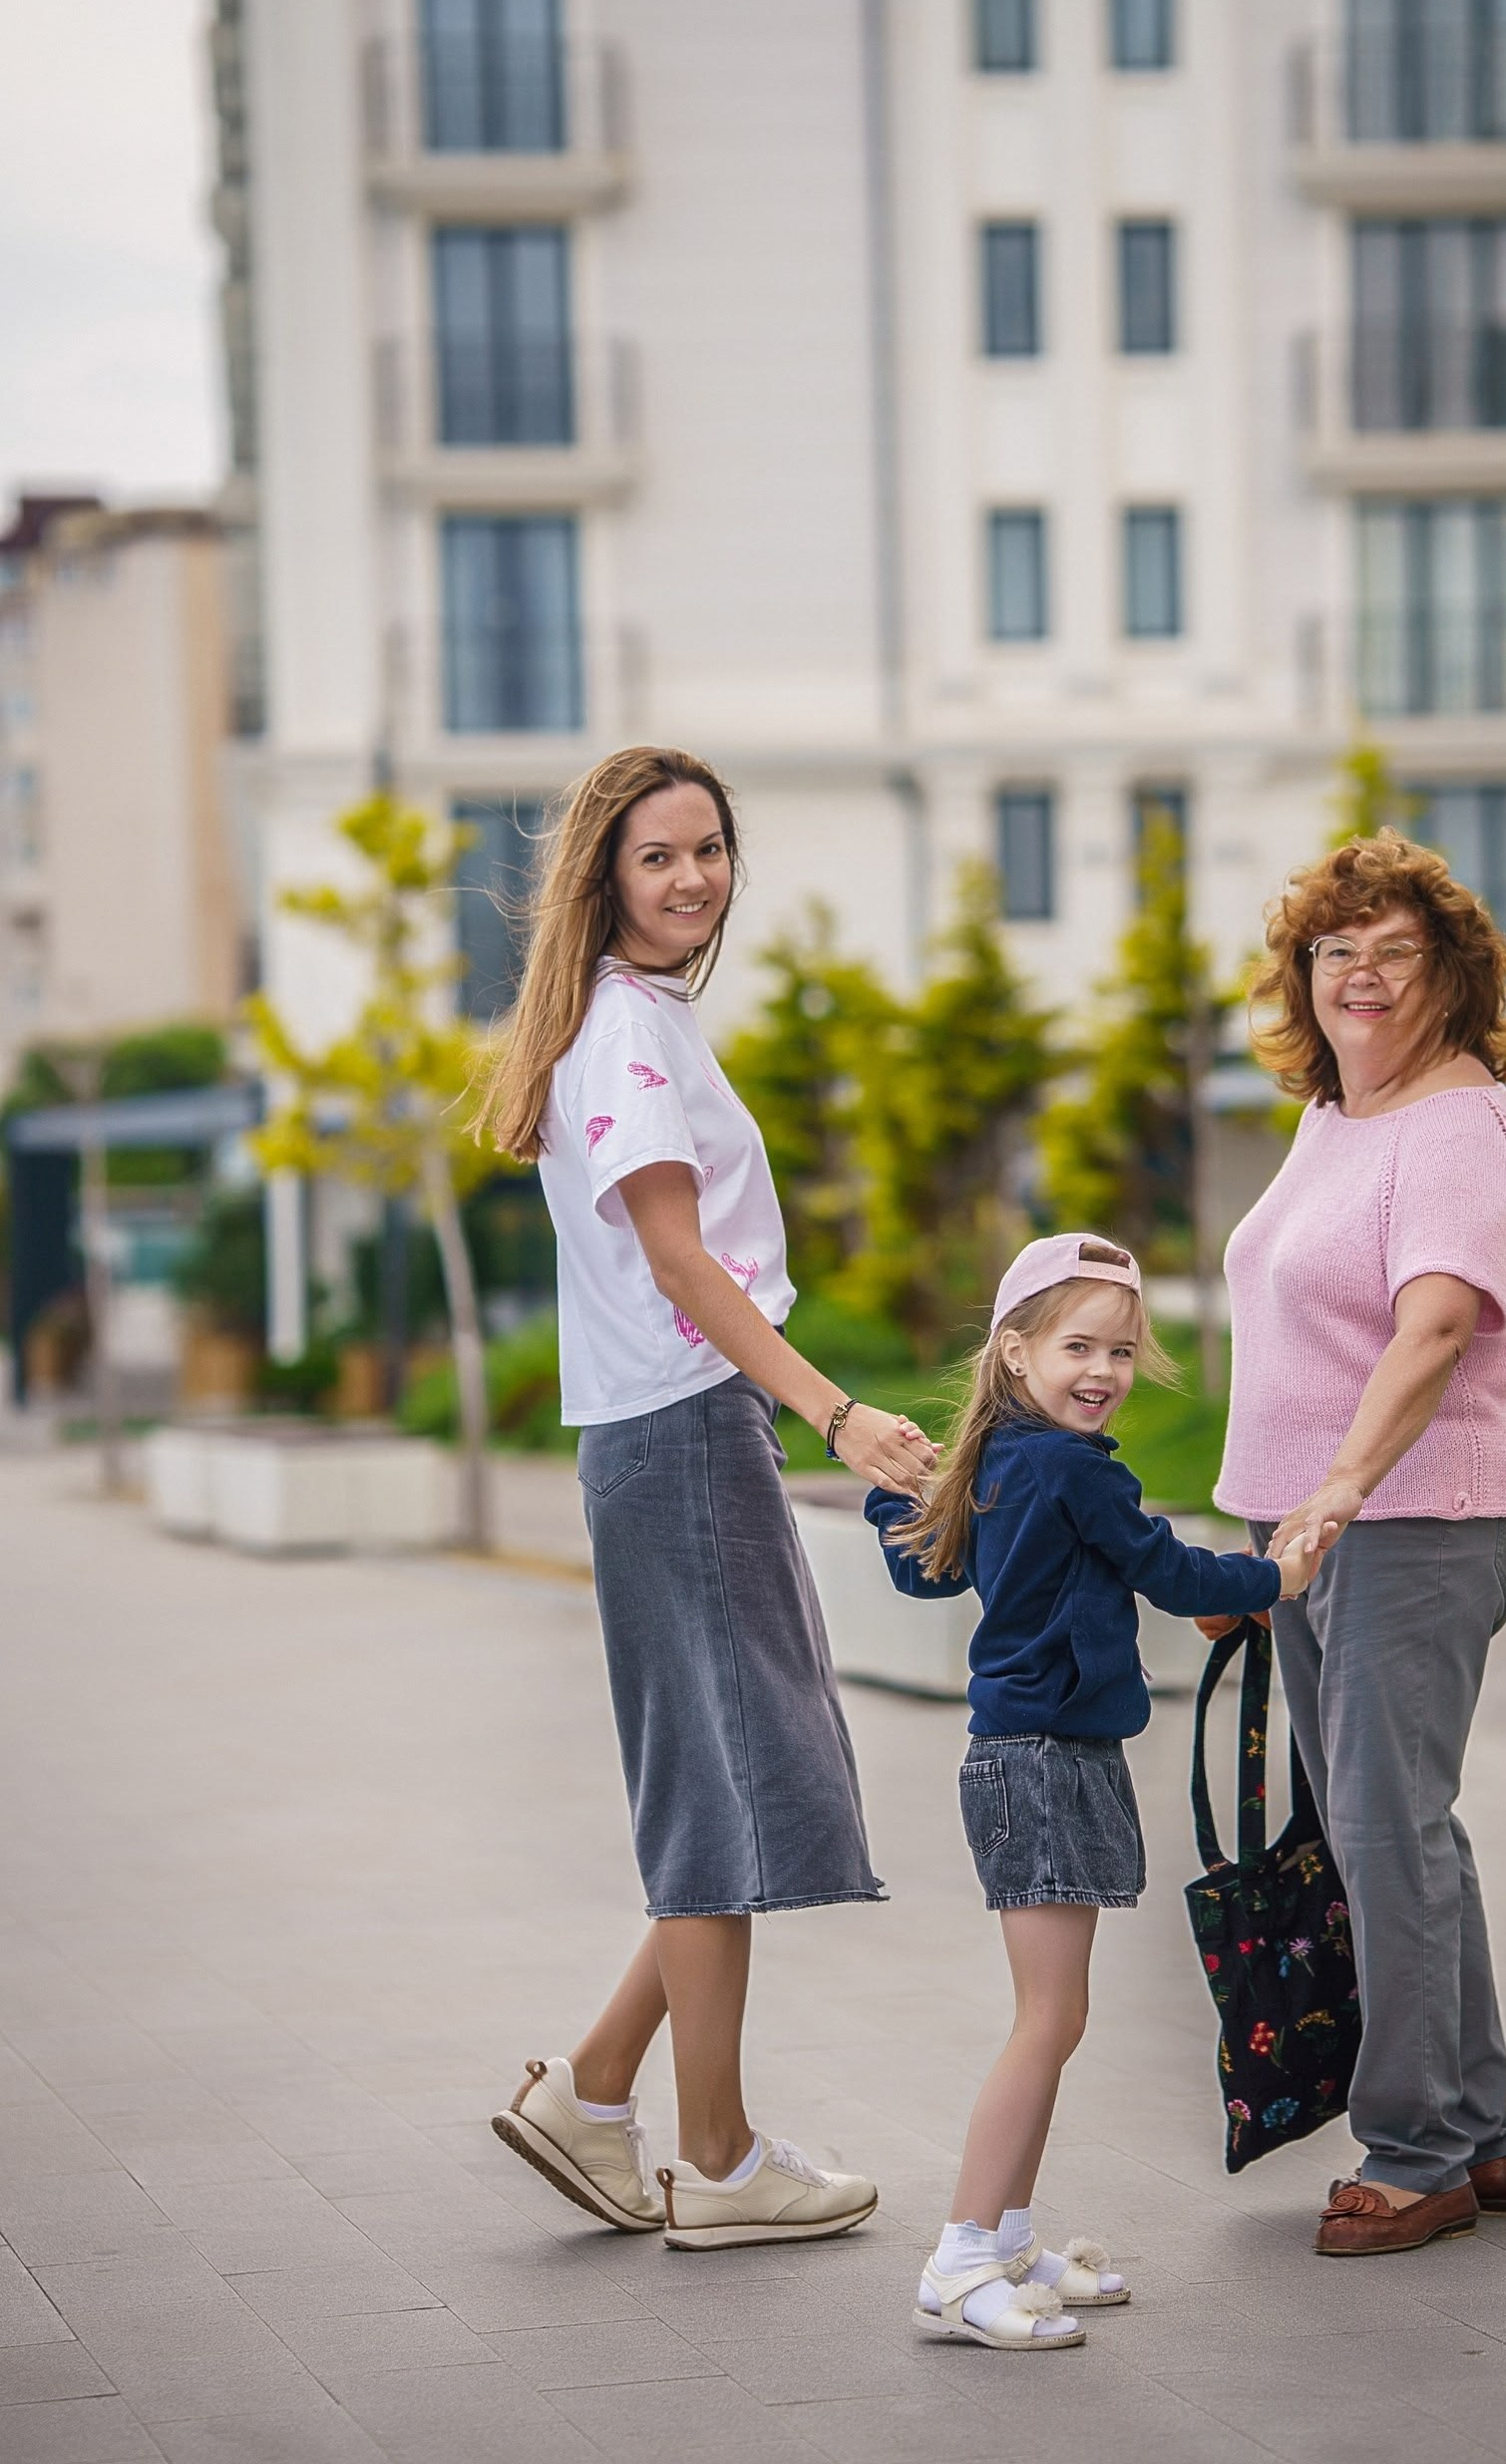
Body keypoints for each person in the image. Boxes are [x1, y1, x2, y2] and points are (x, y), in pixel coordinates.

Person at [476, 745, 939, 2253]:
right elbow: (681, 1264)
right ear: (606, 876)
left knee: (727, 1779)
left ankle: (597, 2095)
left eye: (709, 851)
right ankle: (721, 2164)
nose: (693, 879)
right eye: (659, 856)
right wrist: (838, 1408)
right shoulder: (624, 1035)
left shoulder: (639, 1021)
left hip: (678, 1435)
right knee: (727, 1786)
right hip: (681, 1435)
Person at [867, 1234, 1333, 2349]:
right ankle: (960, 2257)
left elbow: (921, 1562)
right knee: (1047, 2018)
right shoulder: (1070, 1468)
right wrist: (1276, 1575)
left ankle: (1010, 2236)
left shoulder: (1002, 1463)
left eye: (1120, 1349)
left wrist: (902, 1491)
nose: (1104, 1368)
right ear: (1015, 1351)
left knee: (1054, 2016)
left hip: (1030, 1756)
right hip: (1042, 1761)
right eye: (1078, 1344)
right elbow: (1161, 1564)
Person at [1209, 831, 1506, 2259]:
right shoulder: (1339, 1122)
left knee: (1383, 1827)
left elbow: (1434, 1330)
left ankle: (1415, 2153)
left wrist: (1335, 1495)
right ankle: (1479, 2127)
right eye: (1334, 949)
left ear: (1449, 976)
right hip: (1319, 1527)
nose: (1358, 973)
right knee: (1396, 1824)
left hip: (1418, 1518)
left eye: (1391, 950)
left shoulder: (1459, 1127)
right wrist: (1262, 1545)